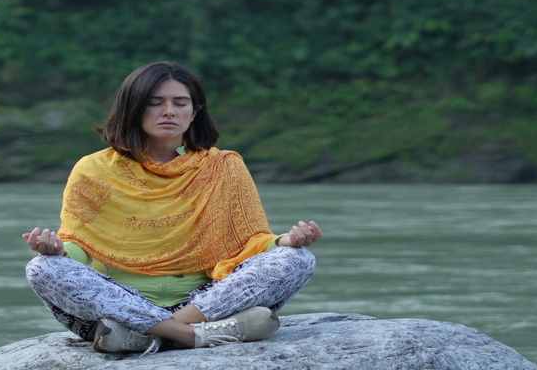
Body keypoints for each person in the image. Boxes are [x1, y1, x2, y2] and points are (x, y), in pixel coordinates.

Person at [21, 61, 323, 354]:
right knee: (42, 268)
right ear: (134, 109)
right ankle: (190, 336)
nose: (169, 111)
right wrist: (57, 251)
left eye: (180, 102)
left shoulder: (224, 166)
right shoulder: (93, 169)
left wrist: (283, 241)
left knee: (297, 259)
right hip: (121, 302)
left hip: (204, 302)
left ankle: (148, 335)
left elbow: (251, 242)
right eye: (155, 103)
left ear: (194, 112)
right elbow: (79, 246)